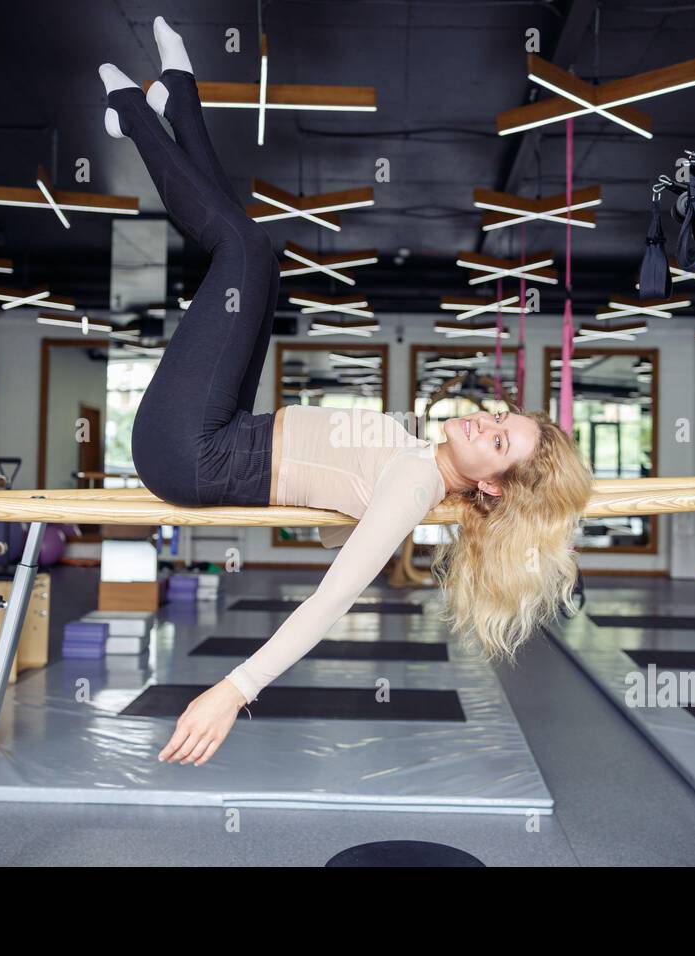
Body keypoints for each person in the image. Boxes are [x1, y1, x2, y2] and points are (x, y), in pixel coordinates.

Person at [101, 16, 594, 769]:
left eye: (499, 441)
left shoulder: (412, 483)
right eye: (505, 417)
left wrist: (234, 688)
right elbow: (372, 503)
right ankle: (174, 98)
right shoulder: (429, 472)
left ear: (494, 486)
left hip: (192, 450)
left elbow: (330, 601)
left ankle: (137, 116)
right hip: (228, 428)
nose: (489, 421)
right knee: (254, 262)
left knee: (244, 251)